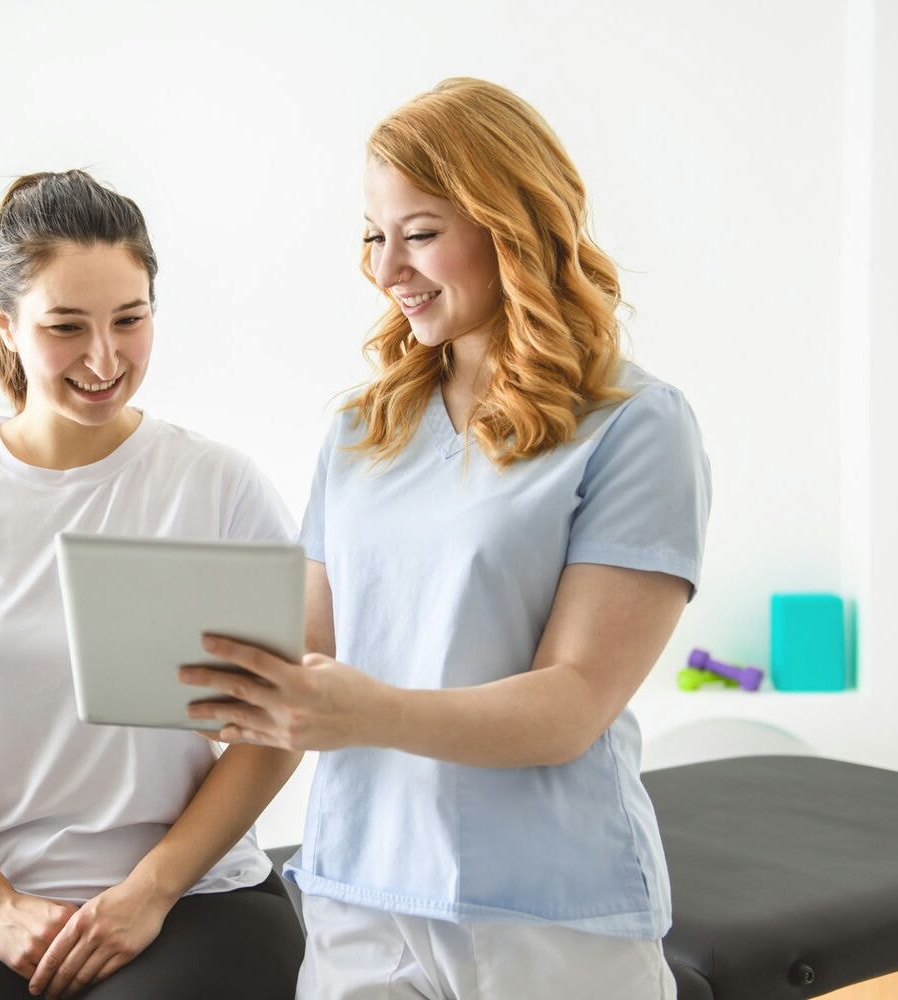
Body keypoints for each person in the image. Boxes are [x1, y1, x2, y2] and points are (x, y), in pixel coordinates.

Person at [180, 78, 711, 999]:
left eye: (419, 233)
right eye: (374, 236)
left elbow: (574, 701)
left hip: (549, 914)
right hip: (362, 898)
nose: (387, 271)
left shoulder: (633, 425)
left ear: (515, 223)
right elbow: (311, 648)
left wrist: (364, 712)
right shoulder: (362, 428)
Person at [0, 170, 304, 1000]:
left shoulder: (220, 486)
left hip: (193, 891)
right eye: (65, 327)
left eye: (130, 319)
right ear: (4, 324)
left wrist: (150, 890)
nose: (104, 358)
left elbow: (279, 723)